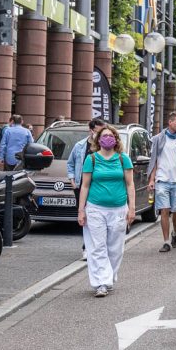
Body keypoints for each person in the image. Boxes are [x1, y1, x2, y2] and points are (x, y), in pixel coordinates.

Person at [77, 125, 135, 297]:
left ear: (116, 139)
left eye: (111, 135)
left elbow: (130, 184)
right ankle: (101, 282)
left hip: (118, 209)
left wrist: (132, 208)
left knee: (115, 248)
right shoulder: (92, 159)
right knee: (97, 247)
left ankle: (109, 276)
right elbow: (85, 186)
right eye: (104, 136)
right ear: (98, 140)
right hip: (95, 208)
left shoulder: (123, 159)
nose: (108, 138)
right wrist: (81, 210)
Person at [148, 112, 176, 253]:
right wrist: (152, 179)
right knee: (164, 210)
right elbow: (154, 159)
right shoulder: (159, 139)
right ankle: (166, 242)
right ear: (170, 122)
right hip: (162, 180)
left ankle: (175, 233)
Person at [67, 119, 107, 259]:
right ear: (90, 130)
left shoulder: (105, 146)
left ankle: (99, 246)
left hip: (99, 186)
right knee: (85, 217)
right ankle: (86, 247)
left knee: (99, 216)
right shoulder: (80, 146)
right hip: (81, 186)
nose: (101, 134)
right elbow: (70, 163)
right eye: (98, 131)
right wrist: (72, 180)